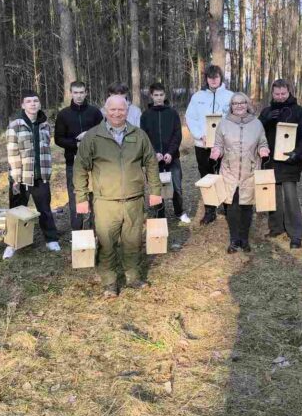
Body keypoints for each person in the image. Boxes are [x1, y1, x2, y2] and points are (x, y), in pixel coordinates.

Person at [74, 95, 162, 296]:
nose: (116, 113)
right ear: (105, 111)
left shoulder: (138, 135)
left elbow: (150, 163)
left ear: (127, 111)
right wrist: (81, 198)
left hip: (134, 199)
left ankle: (133, 278)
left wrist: (155, 191)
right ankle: (109, 283)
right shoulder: (94, 136)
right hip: (105, 202)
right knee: (107, 243)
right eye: (112, 109)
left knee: (133, 242)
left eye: (121, 109)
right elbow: (80, 167)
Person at [210, 92, 270, 253]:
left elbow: (262, 142)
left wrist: (263, 150)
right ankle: (234, 240)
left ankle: (244, 239)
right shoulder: (223, 123)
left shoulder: (257, 124)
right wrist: (216, 152)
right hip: (229, 171)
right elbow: (218, 144)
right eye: (235, 104)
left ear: (247, 104)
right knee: (232, 206)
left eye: (242, 102)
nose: (239, 106)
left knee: (246, 207)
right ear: (231, 106)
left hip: (249, 172)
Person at [3, 90, 61, 259]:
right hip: (20, 178)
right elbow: (12, 153)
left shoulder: (45, 125)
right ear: (23, 105)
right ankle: (11, 243)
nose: (33, 104)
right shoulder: (15, 126)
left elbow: (46, 150)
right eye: (28, 101)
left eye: (35, 101)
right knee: (16, 210)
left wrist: (47, 172)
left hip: (40, 176)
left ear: (39, 103)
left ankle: (51, 239)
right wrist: (15, 178)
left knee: (44, 208)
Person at [258, 79, 302, 249]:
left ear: (289, 92)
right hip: (270, 161)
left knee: (290, 198)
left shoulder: (298, 111)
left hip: (290, 161)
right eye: (277, 94)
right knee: (272, 196)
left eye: (283, 94)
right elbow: (258, 133)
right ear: (272, 94)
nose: (280, 97)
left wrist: (297, 153)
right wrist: (265, 119)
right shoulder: (266, 111)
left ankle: (295, 234)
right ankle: (276, 227)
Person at [185, 65, 234, 225]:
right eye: (210, 77)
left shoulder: (230, 96)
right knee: (206, 177)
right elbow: (191, 118)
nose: (213, 80)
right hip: (203, 145)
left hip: (225, 146)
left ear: (221, 78)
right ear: (206, 79)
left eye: (216, 77)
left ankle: (228, 208)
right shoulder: (197, 97)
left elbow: (235, 119)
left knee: (226, 175)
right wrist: (200, 135)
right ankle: (210, 210)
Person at [55, 81, 104, 230]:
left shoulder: (95, 112)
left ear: (86, 93)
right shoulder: (64, 114)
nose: (79, 96)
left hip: (95, 162)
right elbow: (58, 139)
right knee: (75, 195)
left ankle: (96, 229)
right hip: (73, 163)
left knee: (96, 195)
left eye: (81, 92)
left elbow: (103, 134)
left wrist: (89, 137)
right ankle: (77, 230)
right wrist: (75, 144)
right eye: (76, 92)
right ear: (70, 93)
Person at [140, 82, 190, 223]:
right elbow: (144, 137)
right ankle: (159, 214)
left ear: (165, 95)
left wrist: (170, 152)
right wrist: (154, 153)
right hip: (153, 160)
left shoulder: (172, 113)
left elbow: (177, 134)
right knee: (156, 188)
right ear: (151, 96)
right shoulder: (145, 115)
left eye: (161, 95)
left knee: (176, 186)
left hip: (172, 158)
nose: (159, 98)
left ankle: (179, 212)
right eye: (156, 95)